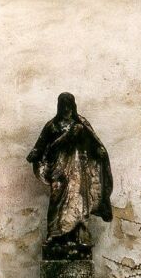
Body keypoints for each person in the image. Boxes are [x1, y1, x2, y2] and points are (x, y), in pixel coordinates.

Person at [27, 92, 113, 246]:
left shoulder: (80, 124)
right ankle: (54, 234)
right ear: (59, 106)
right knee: (56, 198)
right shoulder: (53, 125)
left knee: (78, 199)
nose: (66, 108)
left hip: (78, 169)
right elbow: (41, 144)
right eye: (63, 105)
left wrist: (98, 151)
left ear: (73, 105)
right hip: (58, 168)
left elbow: (92, 143)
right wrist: (35, 154)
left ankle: (78, 235)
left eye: (68, 105)